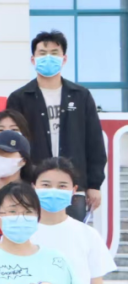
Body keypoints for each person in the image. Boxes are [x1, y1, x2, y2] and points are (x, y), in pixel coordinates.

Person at [7, 30, 106, 215]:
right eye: (42, 53)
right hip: (33, 186)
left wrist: (94, 184)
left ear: (64, 59)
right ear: (33, 59)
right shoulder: (19, 98)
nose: (48, 58)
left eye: (54, 53)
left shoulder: (81, 96)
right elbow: (13, 143)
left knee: (72, 232)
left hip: (73, 188)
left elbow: (95, 143)